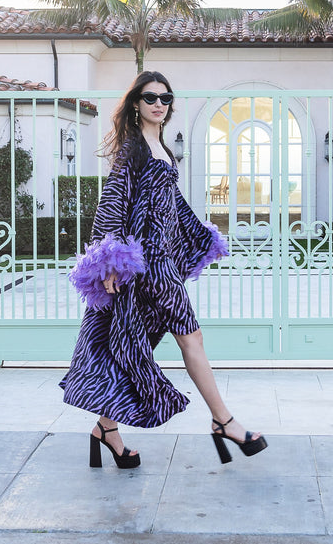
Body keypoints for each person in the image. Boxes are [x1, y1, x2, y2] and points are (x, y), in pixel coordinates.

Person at [60, 70, 268, 468]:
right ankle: (224, 421)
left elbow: (174, 207)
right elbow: (112, 204)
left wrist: (203, 237)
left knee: (137, 346)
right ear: (135, 104)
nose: (159, 104)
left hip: (164, 266)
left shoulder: (163, 148)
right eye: (151, 97)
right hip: (146, 269)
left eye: (166, 98)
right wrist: (108, 261)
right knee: (192, 339)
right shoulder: (131, 151)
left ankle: (106, 430)